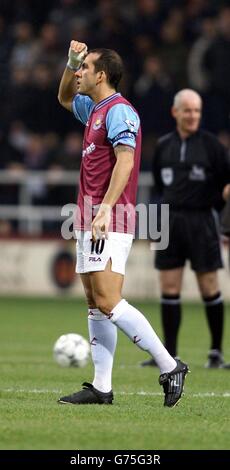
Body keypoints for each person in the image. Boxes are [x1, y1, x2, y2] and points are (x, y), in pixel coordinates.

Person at [57, 40, 189, 407]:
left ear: (102, 75)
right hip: (88, 217)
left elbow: (126, 161)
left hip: (110, 216)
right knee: (94, 302)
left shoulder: (120, 111)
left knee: (109, 300)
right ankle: (101, 387)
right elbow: (65, 98)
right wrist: (69, 62)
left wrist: (104, 209)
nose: (79, 73)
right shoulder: (94, 108)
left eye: (85, 67)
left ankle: (169, 364)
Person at [141, 89, 230, 369]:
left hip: (201, 220)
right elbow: (158, 186)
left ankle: (215, 353)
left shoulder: (212, 146)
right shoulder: (164, 145)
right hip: (168, 220)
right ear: (175, 112)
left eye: (197, 111)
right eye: (188, 110)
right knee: (169, 287)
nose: (193, 115)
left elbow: (226, 183)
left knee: (209, 287)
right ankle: (168, 354)